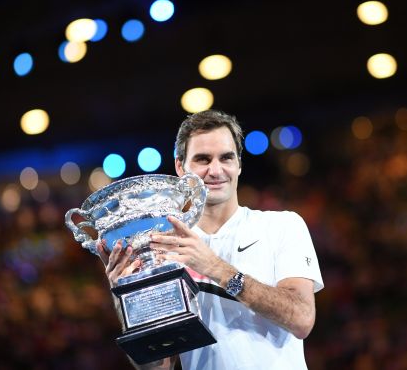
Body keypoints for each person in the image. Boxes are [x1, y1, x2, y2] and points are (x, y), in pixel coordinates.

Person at [97, 110, 324, 369]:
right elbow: (157, 366)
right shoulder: (164, 249)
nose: (215, 170)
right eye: (203, 159)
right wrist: (126, 298)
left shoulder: (282, 225)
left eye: (226, 158)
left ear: (239, 163)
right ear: (180, 167)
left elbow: (302, 319)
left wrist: (215, 267)